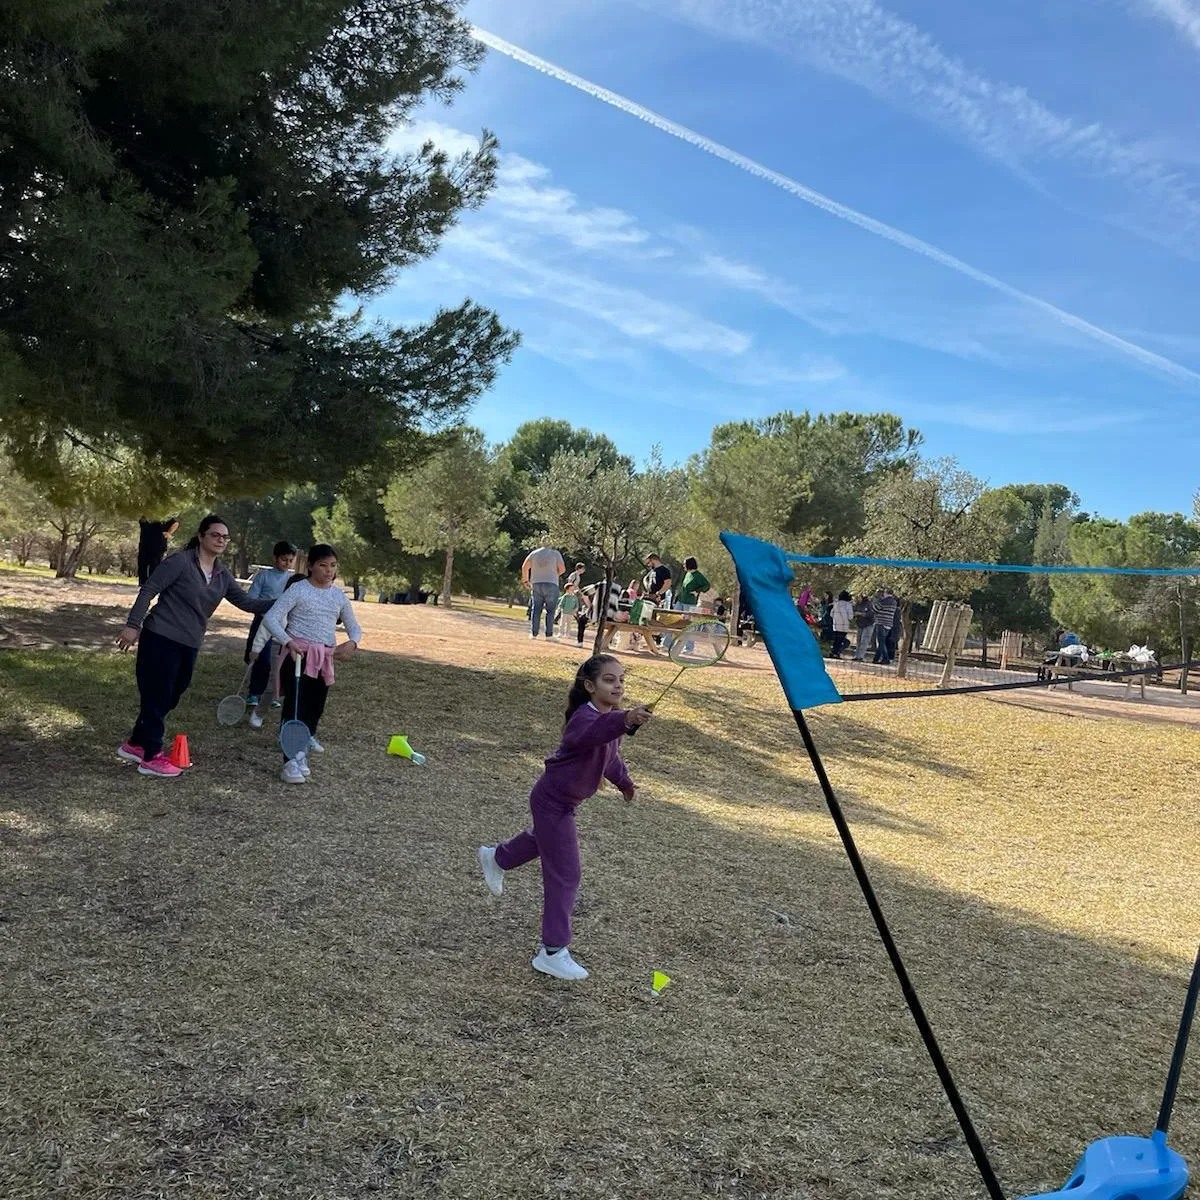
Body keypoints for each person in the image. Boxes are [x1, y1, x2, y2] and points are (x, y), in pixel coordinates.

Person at [477, 655, 652, 981]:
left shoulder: (609, 719)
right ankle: (553, 951)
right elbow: (589, 735)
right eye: (609, 680)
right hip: (552, 803)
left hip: (563, 804)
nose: (618, 686)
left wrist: (625, 783)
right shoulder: (585, 719)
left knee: (540, 842)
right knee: (566, 874)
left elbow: (610, 758)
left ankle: (496, 858)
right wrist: (626, 718)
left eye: (621, 680)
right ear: (590, 686)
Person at [115, 514, 274, 778]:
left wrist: (287, 600)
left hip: (189, 642)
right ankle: (151, 756)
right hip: (160, 636)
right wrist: (133, 625)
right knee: (158, 694)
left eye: (225, 537)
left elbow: (248, 604)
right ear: (201, 536)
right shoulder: (181, 562)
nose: (220, 540)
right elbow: (148, 589)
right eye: (215, 535)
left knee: (174, 693)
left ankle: (135, 743)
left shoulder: (222, 575)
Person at [261, 544, 362, 785]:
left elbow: (354, 626)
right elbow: (271, 618)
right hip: (298, 657)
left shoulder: (338, 595)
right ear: (310, 566)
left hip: (324, 659)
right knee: (295, 709)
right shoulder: (298, 590)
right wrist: (288, 641)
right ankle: (289, 761)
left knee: (315, 708)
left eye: (333, 566)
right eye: (323, 565)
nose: (329, 571)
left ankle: (301, 752)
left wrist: (353, 643)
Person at [243, 541, 297, 728]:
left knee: (277, 661)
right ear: (275, 558)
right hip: (263, 620)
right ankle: (254, 692)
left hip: (283, 625)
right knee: (261, 658)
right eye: (284, 559)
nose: (287, 563)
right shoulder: (264, 576)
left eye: (290, 560)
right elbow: (252, 598)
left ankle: (271, 693)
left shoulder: (293, 581)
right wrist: (270, 606)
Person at [522, 544, 566, 639]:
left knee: (536, 609)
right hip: (551, 583)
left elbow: (525, 567)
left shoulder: (533, 553)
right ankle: (549, 634)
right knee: (550, 610)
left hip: (536, 583)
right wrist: (555, 573)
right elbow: (562, 569)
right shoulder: (555, 553)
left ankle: (534, 634)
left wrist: (526, 580)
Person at [136, 516, 180, 586]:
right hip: (144, 544)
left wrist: (169, 533)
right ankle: (142, 583)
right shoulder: (145, 515)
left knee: (155, 565)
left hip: (158, 545)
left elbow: (175, 523)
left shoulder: (163, 515)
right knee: (142, 564)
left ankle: (152, 584)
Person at [872, 587, 898, 665]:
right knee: (881, 642)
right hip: (888, 624)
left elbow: (875, 609)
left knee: (881, 642)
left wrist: (875, 601)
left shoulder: (884, 601)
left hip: (881, 623)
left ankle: (886, 658)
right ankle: (876, 658)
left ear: (885, 593)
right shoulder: (894, 602)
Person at [831, 590, 854, 659]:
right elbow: (850, 616)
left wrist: (836, 618)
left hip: (836, 625)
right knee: (842, 640)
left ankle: (834, 652)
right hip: (844, 625)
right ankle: (837, 652)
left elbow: (831, 614)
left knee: (836, 640)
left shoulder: (836, 604)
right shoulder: (848, 605)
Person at [852, 594, 875, 661]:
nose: (857, 598)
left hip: (868, 624)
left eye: (858, 597)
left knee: (864, 641)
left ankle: (861, 656)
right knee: (858, 640)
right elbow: (854, 612)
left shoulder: (869, 604)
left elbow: (871, 614)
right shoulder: (857, 604)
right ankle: (856, 656)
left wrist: (861, 614)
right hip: (860, 624)